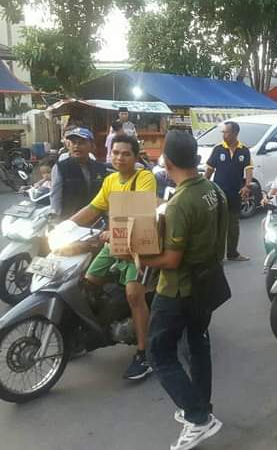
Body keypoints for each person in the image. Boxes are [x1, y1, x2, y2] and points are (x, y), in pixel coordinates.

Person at [143, 131, 227, 450]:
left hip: (178, 290)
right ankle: (202, 407)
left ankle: (198, 416)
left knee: (159, 352)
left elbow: (171, 259)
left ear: (167, 160)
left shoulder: (180, 202)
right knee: (197, 344)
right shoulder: (213, 190)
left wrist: (136, 254)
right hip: (207, 283)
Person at [70, 134, 156, 380]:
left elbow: (140, 211)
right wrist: (65, 227)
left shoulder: (144, 178)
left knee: (134, 294)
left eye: (125, 153)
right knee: (88, 281)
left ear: (135, 156)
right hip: (114, 242)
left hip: (137, 243)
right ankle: (102, 326)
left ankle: (144, 353)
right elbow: (93, 208)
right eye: (115, 153)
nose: (119, 157)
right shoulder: (109, 180)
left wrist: (111, 230)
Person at [204, 121, 253, 261]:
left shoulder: (244, 150)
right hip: (219, 194)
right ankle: (217, 256)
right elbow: (209, 170)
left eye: (226, 132)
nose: (224, 134)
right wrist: (202, 185)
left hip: (235, 193)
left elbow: (248, 170)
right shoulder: (218, 149)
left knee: (233, 225)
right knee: (219, 226)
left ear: (235, 133)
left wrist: (247, 186)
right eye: (223, 132)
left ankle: (233, 253)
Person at [50, 127, 109, 220]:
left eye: (81, 143)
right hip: (70, 222)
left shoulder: (100, 168)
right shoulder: (61, 167)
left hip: (96, 221)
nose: (76, 146)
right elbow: (55, 196)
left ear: (92, 146)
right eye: (73, 143)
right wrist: (55, 219)